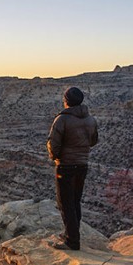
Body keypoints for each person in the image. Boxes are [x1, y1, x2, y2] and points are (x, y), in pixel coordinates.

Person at [46, 86, 99, 250]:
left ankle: (72, 241)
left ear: (66, 100)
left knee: (65, 202)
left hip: (66, 165)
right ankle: (72, 233)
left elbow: (53, 143)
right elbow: (93, 141)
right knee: (75, 201)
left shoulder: (62, 119)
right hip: (82, 165)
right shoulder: (90, 119)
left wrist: (54, 157)